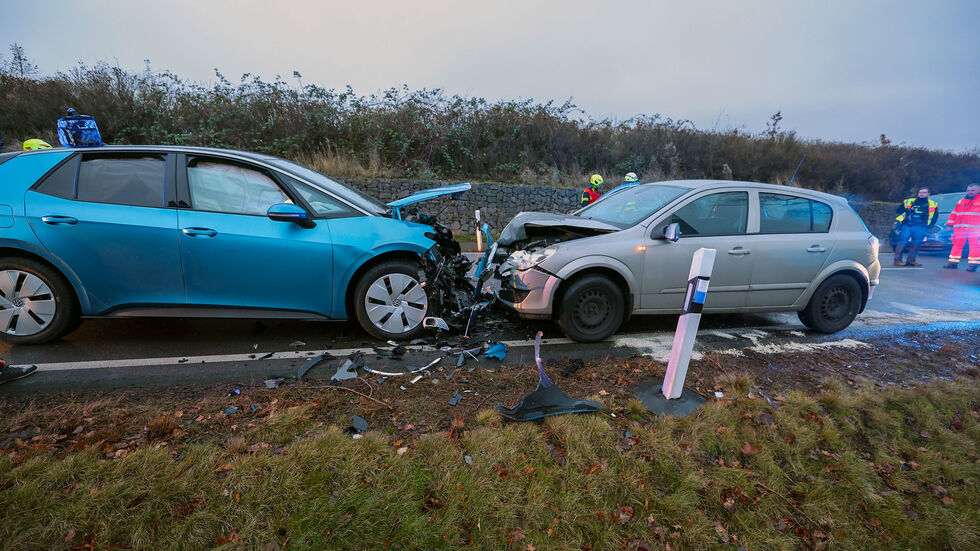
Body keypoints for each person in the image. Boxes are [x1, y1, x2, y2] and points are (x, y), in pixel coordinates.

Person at [893, 186, 939, 266]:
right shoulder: (910, 202)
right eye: (920, 192)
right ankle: (897, 260)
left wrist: (928, 227)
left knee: (916, 244)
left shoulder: (932, 204)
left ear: (928, 194)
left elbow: (935, 217)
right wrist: (907, 210)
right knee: (902, 242)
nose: (921, 194)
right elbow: (898, 211)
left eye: (924, 192)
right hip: (908, 225)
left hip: (921, 227)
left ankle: (911, 261)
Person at [944, 183, 980, 271]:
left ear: (978, 190)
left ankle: (973, 265)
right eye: (968, 190)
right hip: (959, 228)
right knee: (956, 245)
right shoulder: (961, 201)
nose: (970, 192)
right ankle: (952, 263)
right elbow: (954, 213)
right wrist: (949, 224)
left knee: (975, 246)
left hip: (975, 228)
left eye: (972, 190)